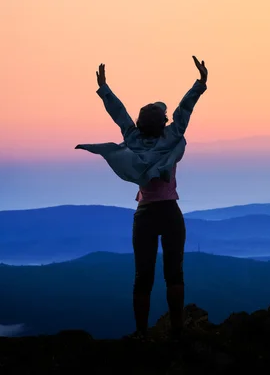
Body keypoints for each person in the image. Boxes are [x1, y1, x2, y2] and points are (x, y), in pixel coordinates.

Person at [75, 56, 208, 340]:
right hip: (170, 212)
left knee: (142, 276)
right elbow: (185, 109)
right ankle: (177, 330)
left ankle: (141, 333)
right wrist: (200, 83)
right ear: (163, 122)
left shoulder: (132, 139)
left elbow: (119, 114)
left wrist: (104, 88)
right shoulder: (172, 138)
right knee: (174, 273)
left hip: (145, 214)